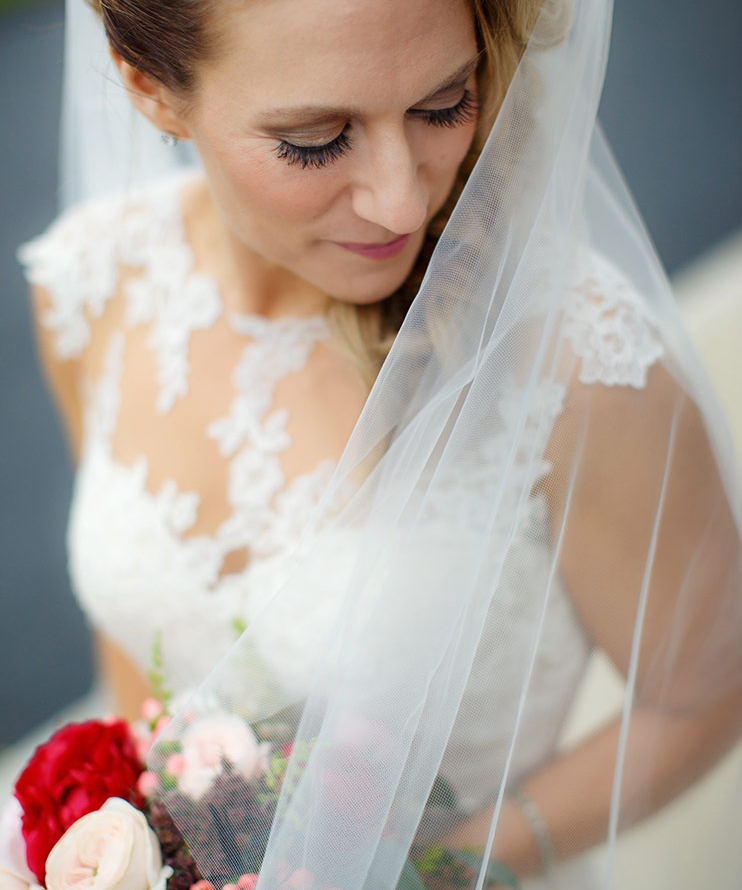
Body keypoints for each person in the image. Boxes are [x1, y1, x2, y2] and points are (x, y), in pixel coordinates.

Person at [18, 0, 742, 886]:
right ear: (149, 86)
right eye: (316, 141)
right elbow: (138, 652)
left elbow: (706, 693)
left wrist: (430, 869)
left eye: (444, 104)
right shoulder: (91, 285)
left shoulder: (576, 364)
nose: (402, 198)